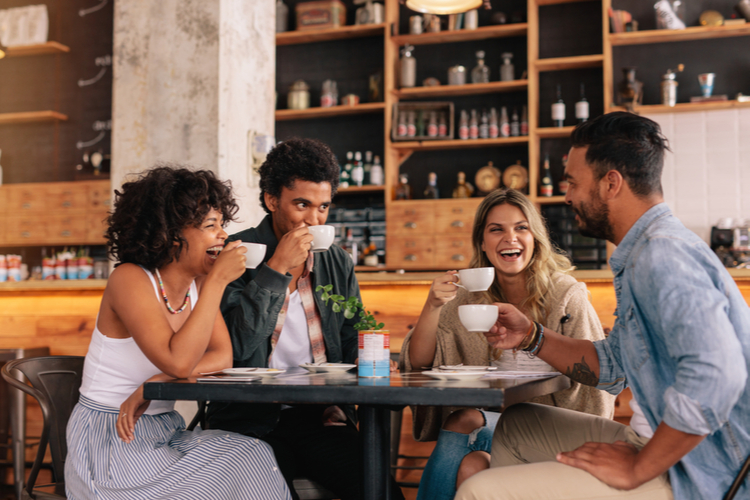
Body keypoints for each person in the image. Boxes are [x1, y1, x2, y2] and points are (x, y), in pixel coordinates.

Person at [456, 111, 750, 500]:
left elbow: (717, 375)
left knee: (478, 489)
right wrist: (531, 336)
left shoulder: (661, 256)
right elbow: (612, 368)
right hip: (666, 445)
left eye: (574, 183)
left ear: (611, 183)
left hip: (704, 471)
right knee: (518, 423)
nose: (567, 196)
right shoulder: (646, 249)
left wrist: (637, 468)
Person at [64, 166, 291, 500]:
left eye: (222, 225)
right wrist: (218, 281)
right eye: (211, 226)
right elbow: (179, 362)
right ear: (172, 233)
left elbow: (221, 356)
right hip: (111, 439)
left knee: (252, 454)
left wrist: (153, 386)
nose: (223, 236)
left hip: (164, 432)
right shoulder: (129, 279)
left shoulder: (197, 284)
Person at [206, 137, 404, 500]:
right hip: (250, 422)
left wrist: (366, 357)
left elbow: (350, 335)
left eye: (323, 207)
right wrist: (276, 268)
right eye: (302, 205)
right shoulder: (237, 254)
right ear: (271, 200)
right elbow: (235, 348)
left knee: (382, 491)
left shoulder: (336, 262)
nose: (314, 220)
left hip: (320, 420)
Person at [400, 188, 616, 500]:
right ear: (483, 243)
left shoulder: (566, 296)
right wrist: (431, 306)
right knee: (473, 463)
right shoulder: (469, 299)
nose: (509, 238)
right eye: (496, 229)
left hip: (557, 432)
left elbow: (595, 383)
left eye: (521, 228)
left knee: (465, 420)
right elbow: (417, 362)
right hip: (498, 431)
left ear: (535, 239)